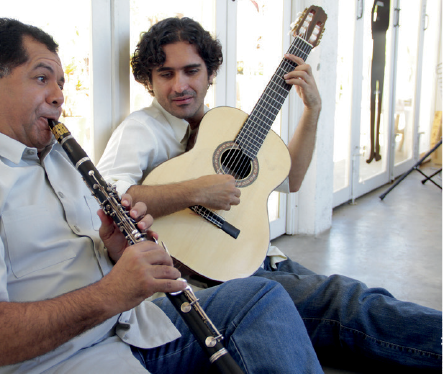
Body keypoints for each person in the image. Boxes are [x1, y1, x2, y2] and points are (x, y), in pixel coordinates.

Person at [0, 18, 324, 374]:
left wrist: (114, 248)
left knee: (262, 297)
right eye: (42, 79)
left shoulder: (54, 155)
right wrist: (113, 292)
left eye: (60, 82)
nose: (58, 96)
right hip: (68, 359)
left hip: (130, 327)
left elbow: (290, 177)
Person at [97, 17, 442, 372]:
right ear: (149, 81)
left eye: (191, 70)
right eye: (165, 74)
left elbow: (290, 179)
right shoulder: (141, 129)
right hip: (206, 275)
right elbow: (109, 196)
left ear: (210, 72)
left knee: (356, 300)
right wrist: (196, 190)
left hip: (253, 256)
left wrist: (312, 111)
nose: (180, 85)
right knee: (344, 301)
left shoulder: (224, 124)